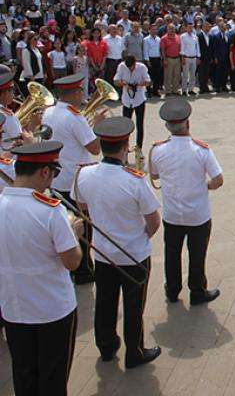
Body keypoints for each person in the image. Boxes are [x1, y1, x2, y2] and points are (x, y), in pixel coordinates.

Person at [72, 117, 162, 369]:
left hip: (102, 253)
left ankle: (107, 347)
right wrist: (140, 237)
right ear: (125, 147)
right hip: (133, 254)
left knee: (105, 302)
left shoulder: (83, 174)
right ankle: (135, 352)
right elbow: (154, 221)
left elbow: (81, 207)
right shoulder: (134, 180)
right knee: (133, 306)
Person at [0, 141, 84, 396]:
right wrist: (74, 235)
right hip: (52, 310)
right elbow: (72, 262)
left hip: (14, 309)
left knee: (24, 374)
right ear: (45, 172)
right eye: (53, 173)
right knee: (53, 378)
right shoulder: (51, 212)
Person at [149, 99, 223, 306]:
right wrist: (205, 186)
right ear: (187, 123)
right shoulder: (202, 150)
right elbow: (218, 180)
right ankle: (197, 291)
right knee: (197, 254)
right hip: (198, 215)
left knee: (172, 253)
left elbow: (154, 175)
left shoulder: (157, 150)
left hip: (172, 214)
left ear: (167, 126)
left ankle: (172, 291)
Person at [43, 74, 105, 284]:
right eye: (80, 91)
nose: (82, 94)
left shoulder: (48, 112)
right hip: (76, 180)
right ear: (74, 93)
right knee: (83, 228)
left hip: (56, 180)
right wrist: (96, 125)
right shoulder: (75, 117)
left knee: (65, 226)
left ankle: (71, 268)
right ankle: (84, 271)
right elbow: (95, 149)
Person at [114, 55, 151, 153]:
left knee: (140, 124)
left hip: (139, 99)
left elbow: (148, 81)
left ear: (135, 63)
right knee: (125, 126)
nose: (130, 69)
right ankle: (124, 149)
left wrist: (138, 84)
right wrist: (124, 84)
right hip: (127, 100)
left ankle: (139, 148)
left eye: (132, 67)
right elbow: (116, 81)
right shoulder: (121, 66)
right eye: (128, 67)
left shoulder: (142, 67)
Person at [160, 25, 182, 96]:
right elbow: (162, 50)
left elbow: (181, 48)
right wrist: (164, 59)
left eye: (173, 28)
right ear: (167, 29)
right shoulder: (164, 38)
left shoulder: (178, 37)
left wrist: (181, 59)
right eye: (170, 29)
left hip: (177, 58)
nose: (172, 30)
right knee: (168, 75)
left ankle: (175, 90)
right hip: (168, 59)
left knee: (177, 75)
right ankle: (168, 91)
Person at [180, 23, 200, 96]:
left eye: (192, 27)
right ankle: (184, 90)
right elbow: (182, 47)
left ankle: (191, 89)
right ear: (186, 28)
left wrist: (198, 57)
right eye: (189, 27)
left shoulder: (195, 36)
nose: (190, 29)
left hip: (194, 58)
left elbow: (197, 47)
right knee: (185, 75)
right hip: (186, 58)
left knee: (193, 75)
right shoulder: (183, 36)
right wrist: (182, 57)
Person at [143, 24, 163, 97]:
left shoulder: (159, 39)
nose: (154, 31)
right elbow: (145, 51)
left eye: (155, 29)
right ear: (149, 30)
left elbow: (160, 50)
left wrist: (161, 59)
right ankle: (148, 91)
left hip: (157, 59)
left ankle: (155, 91)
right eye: (153, 29)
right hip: (150, 59)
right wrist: (147, 61)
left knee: (157, 76)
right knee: (149, 77)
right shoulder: (146, 39)